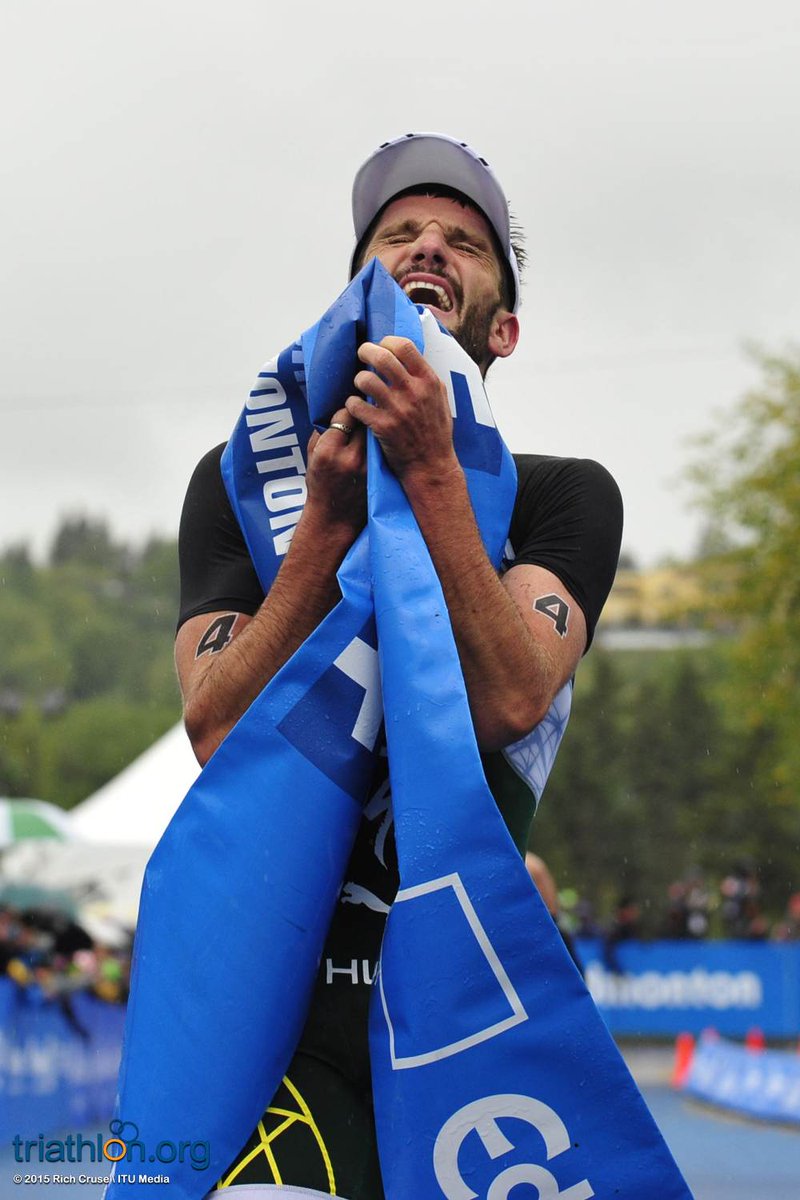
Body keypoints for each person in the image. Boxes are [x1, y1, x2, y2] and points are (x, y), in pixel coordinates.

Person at [174, 133, 623, 1198]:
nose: (428, 248)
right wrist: (322, 536)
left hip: (454, 1021)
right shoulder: (249, 488)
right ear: (353, 296)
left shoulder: (568, 497)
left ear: (501, 325)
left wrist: (428, 473)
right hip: (275, 1016)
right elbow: (213, 732)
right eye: (398, 236)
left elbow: (511, 695)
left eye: (463, 242)